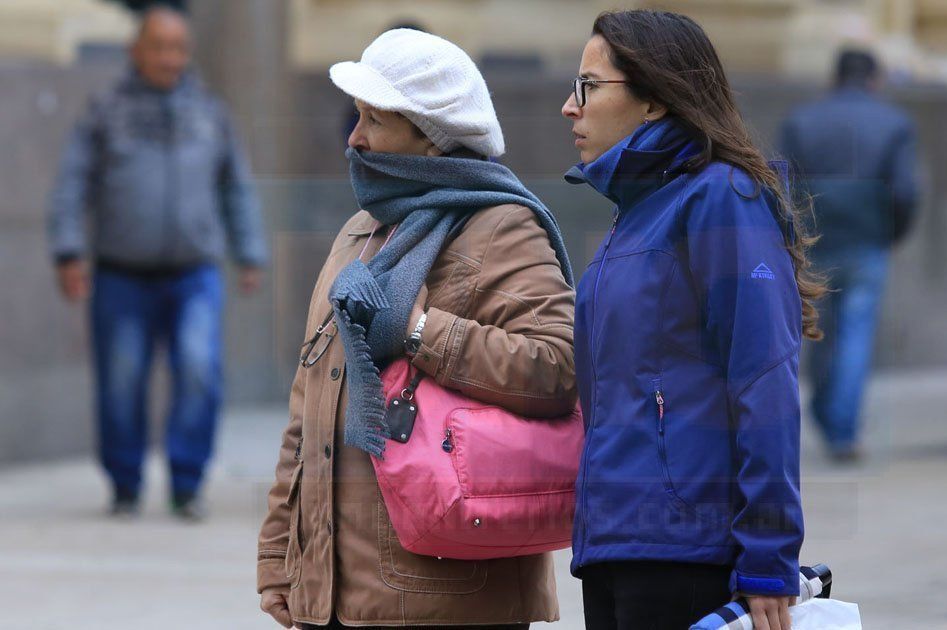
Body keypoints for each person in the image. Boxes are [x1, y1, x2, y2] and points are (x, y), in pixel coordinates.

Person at [256, 29, 577, 629]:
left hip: (451, 594)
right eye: (357, 116)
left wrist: (417, 330)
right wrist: (281, 556)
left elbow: (559, 368)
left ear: (430, 138)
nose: (354, 138)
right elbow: (308, 411)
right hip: (338, 594)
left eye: (374, 120)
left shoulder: (502, 227)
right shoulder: (361, 231)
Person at [561, 10, 825, 630]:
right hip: (613, 546)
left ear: (654, 100)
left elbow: (765, 380)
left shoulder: (719, 196)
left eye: (588, 86)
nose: (570, 107)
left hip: (686, 551)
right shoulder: (635, 212)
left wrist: (768, 556)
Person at [48, 5, 267, 520]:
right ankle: (124, 481)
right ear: (135, 51)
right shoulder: (104, 111)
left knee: (199, 368)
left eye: (179, 48)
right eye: (160, 47)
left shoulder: (210, 112)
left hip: (195, 271)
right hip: (121, 273)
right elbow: (72, 184)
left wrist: (249, 251)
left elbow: (236, 185)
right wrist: (68, 250)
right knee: (121, 379)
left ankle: (187, 483)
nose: (170, 58)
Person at [780, 49, 919, 462]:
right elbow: (905, 190)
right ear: (874, 80)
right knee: (856, 332)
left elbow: (782, 184)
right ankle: (842, 429)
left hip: (814, 241)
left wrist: (791, 238)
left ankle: (827, 412)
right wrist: (891, 233)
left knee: (818, 330)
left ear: (834, 77)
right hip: (866, 239)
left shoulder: (802, 120)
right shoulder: (894, 123)